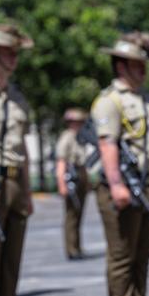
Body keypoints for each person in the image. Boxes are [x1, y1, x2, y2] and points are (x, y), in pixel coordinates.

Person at [90, 31, 149, 296]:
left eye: (144, 64)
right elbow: (108, 145)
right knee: (122, 260)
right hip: (123, 189)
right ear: (120, 65)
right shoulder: (110, 101)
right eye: (137, 64)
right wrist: (116, 185)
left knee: (141, 259)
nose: (143, 70)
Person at [0, 23, 35, 296]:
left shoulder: (17, 97)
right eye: (8, 52)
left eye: (15, 53)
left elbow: (22, 146)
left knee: (11, 265)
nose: (14, 58)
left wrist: (27, 191)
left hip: (14, 182)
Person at [55, 108, 90, 260]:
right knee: (71, 215)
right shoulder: (67, 137)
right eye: (76, 122)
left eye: (80, 122)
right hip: (71, 175)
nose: (78, 124)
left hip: (81, 173)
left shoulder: (81, 137)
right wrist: (61, 183)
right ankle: (71, 249)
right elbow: (61, 161)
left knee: (79, 213)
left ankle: (77, 246)